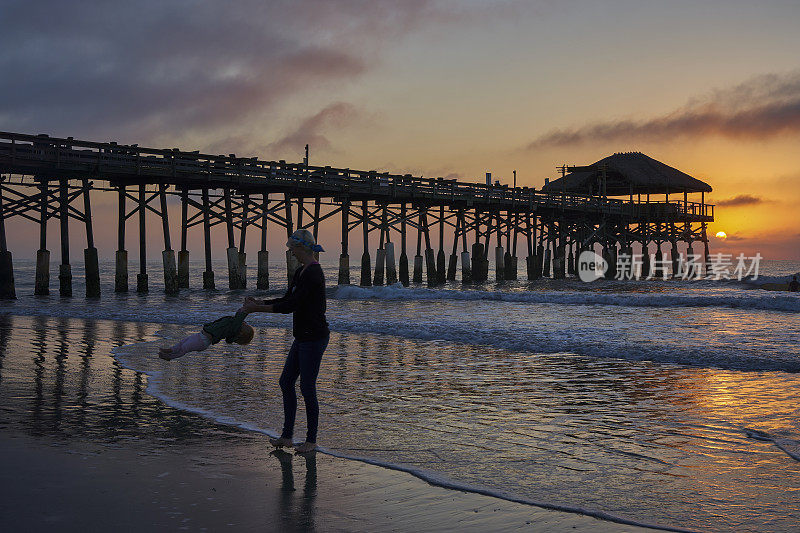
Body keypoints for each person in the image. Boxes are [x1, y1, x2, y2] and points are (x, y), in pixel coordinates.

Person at [241, 229, 330, 454]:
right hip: (302, 337)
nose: (291, 254)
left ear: (302, 248)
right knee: (285, 382)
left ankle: (311, 441)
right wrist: (259, 302)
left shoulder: (313, 274)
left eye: (292, 250)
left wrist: (257, 309)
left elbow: (291, 306)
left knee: (307, 388)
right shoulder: (301, 272)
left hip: (314, 337)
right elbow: (287, 299)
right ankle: (287, 436)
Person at [159, 311, 254, 360]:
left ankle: (170, 357)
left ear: (241, 331)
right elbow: (238, 316)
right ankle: (170, 350)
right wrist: (245, 306)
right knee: (182, 342)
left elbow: (240, 318)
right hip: (200, 336)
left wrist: (247, 310)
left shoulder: (233, 329)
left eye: (245, 325)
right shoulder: (232, 324)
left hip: (203, 341)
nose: (244, 323)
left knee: (184, 348)